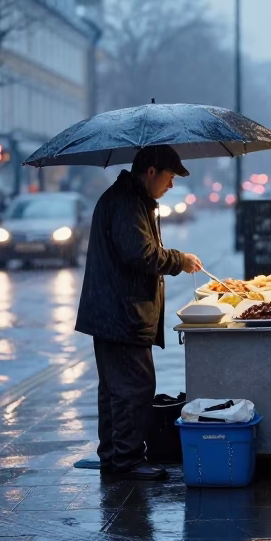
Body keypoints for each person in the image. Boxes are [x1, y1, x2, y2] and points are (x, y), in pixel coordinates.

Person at [75, 144, 203, 481]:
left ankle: (114, 456)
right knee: (135, 387)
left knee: (116, 390)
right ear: (151, 172)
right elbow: (142, 255)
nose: (171, 185)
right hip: (121, 313)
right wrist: (179, 259)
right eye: (170, 177)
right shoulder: (128, 203)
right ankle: (128, 460)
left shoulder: (131, 199)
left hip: (113, 311)